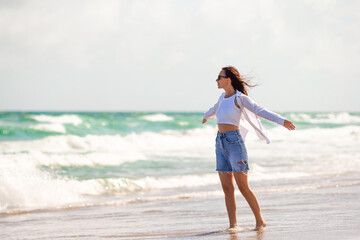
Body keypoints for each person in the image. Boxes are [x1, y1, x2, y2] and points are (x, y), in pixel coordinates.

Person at [202, 66, 296, 232]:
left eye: (219, 77)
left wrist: (282, 121)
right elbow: (213, 110)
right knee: (227, 187)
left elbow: (260, 110)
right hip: (220, 143)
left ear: (228, 79)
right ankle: (233, 225)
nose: (216, 80)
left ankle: (260, 221)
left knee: (242, 186)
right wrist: (205, 116)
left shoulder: (240, 99)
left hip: (234, 143)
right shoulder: (222, 98)